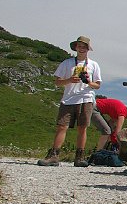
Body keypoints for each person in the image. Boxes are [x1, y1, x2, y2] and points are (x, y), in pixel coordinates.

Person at [37, 36, 102, 167]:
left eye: (84, 46)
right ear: (76, 47)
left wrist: (88, 82)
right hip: (68, 99)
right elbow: (57, 82)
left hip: (85, 98)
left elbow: (98, 85)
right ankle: (54, 155)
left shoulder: (94, 65)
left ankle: (79, 157)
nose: (81, 48)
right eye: (79, 46)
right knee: (61, 126)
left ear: (88, 48)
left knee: (82, 128)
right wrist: (69, 80)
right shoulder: (66, 63)